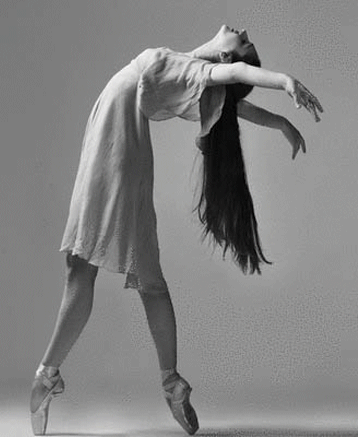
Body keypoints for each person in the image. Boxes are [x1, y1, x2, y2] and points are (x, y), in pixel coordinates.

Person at [30, 24, 323, 435]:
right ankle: (171, 384)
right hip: (122, 151)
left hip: (112, 152)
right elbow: (234, 105)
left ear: (226, 56)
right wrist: (280, 123)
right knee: (145, 281)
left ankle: (47, 375)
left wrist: (284, 81)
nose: (242, 31)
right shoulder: (189, 71)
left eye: (243, 42)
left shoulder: (197, 71)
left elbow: (236, 75)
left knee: (81, 270)